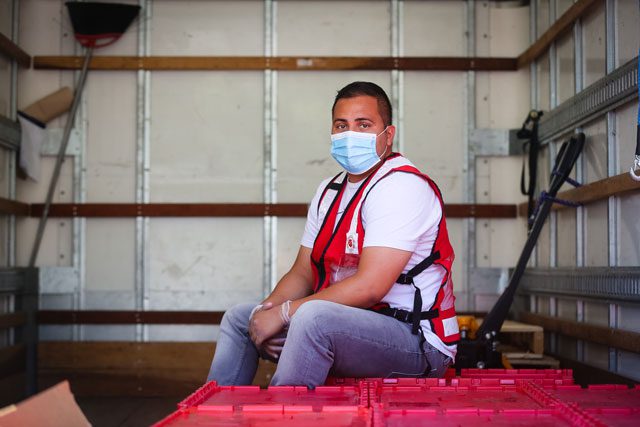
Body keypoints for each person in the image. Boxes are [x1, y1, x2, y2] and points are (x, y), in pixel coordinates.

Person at [207, 81, 459, 388]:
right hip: (348, 327)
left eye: (363, 125)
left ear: (388, 135)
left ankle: (282, 417)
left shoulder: (402, 187)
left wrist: (286, 315)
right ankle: (213, 416)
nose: (350, 134)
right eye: (342, 125)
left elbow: (371, 287)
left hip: (416, 342)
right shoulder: (329, 190)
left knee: (313, 318)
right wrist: (266, 314)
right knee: (240, 319)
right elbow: (302, 273)